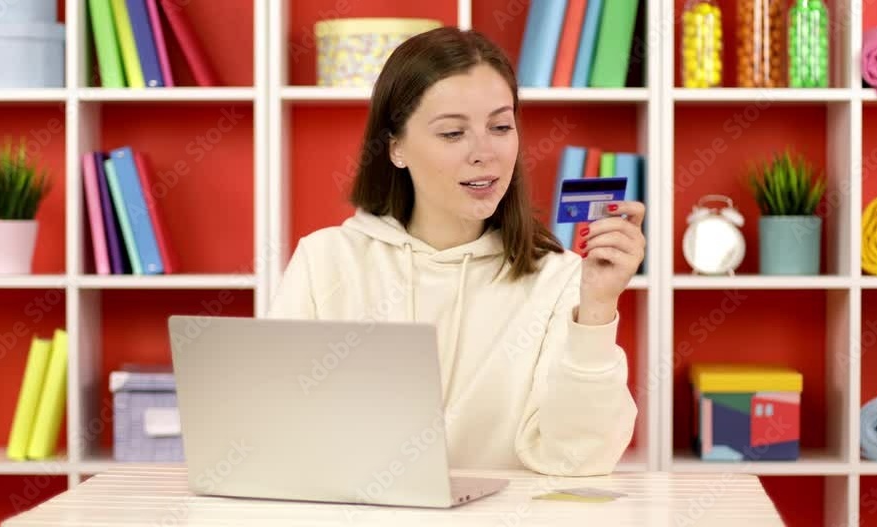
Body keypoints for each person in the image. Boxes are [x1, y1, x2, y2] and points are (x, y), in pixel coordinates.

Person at [267, 26, 645, 477]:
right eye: (452, 133)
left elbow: (578, 457)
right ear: (397, 148)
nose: (484, 152)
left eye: (501, 127)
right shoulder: (325, 260)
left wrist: (598, 307)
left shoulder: (559, 277)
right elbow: (275, 437)